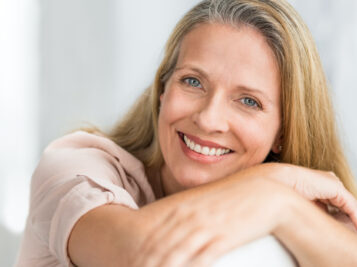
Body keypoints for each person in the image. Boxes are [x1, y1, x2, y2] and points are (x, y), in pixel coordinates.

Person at [16, 0, 357, 266]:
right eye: (192, 81)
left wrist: (279, 203)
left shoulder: (291, 206)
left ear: (284, 131)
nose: (209, 120)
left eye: (248, 101)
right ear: (162, 89)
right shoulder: (75, 169)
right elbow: (139, 257)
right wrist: (272, 194)